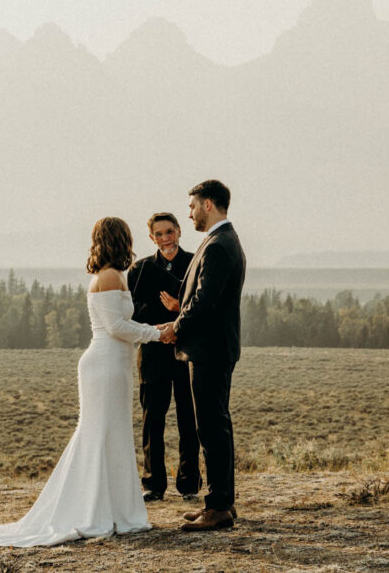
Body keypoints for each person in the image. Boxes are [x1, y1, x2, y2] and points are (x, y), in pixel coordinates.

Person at [0, 217, 174, 547]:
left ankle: (116, 510)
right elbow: (117, 327)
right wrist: (157, 334)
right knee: (99, 434)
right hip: (103, 365)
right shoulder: (108, 276)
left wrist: (155, 329)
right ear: (121, 239)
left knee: (113, 435)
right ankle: (93, 511)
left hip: (114, 366)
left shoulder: (114, 275)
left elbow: (123, 325)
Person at [157, 179, 246, 532]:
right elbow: (199, 302)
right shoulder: (221, 241)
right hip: (213, 347)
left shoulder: (219, 245)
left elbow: (203, 302)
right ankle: (220, 502)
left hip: (210, 349)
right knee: (214, 425)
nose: (189, 213)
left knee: (211, 427)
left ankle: (219, 507)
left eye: (192, 206)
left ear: (208, 205)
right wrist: (177, 320)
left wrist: (176, 327)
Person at [127, 213, 201, 503]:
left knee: (189, 418)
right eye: (159, 234)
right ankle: (153, 484)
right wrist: (163, 327)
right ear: (151, 238)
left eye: (170, 231)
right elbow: (131, 311)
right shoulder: (140, 269)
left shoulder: (196, 263)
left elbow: (203, 305)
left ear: (180, 231)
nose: (165, 238)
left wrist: (177, 310)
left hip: (187, 353)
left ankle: (189, 484)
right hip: (153, 354)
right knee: (152, 419)